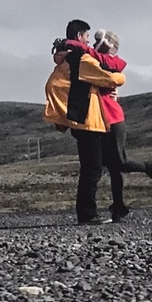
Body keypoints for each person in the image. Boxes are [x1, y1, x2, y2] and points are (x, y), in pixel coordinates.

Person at [44, 19, 126, 224]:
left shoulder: (65, 61)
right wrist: (120, 79)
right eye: (87, 37)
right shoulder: (82, 59)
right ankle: (87, 214)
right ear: (80, 36)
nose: (89, 42)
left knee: (90, 167)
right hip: (89, 120)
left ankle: (87, 212)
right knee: (93, 168)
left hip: (78, 120)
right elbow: (109, 78)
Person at [86, 29, 152, 222]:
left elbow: (117, 64)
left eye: (101, 42)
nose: (96, 44)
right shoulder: (98, 63)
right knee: (113, 166)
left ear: (111, 46)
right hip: (104, 120)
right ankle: (118, 207)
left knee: (119, 162)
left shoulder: (110, 63)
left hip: (113, 119)